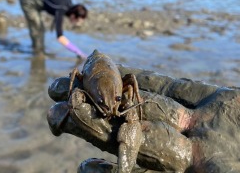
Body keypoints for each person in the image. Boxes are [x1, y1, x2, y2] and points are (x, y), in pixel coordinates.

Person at [47, 65, 240, 173]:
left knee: (128, 114)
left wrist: (135, 102)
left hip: (111, 82)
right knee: (69, 98)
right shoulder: (84, 87)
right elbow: (76, 91)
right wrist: (75, 102)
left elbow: (130, 85)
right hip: (96, 75)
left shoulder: (124, 90)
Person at [19, 0, 88, 58]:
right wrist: (78, 52)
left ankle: (38, 49)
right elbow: (60, 37)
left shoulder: (68, 1)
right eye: (77, 21)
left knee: (41, 28)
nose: (77, 24)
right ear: (73, 16)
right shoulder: (60, 9)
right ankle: (38, 53)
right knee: (37, 28)